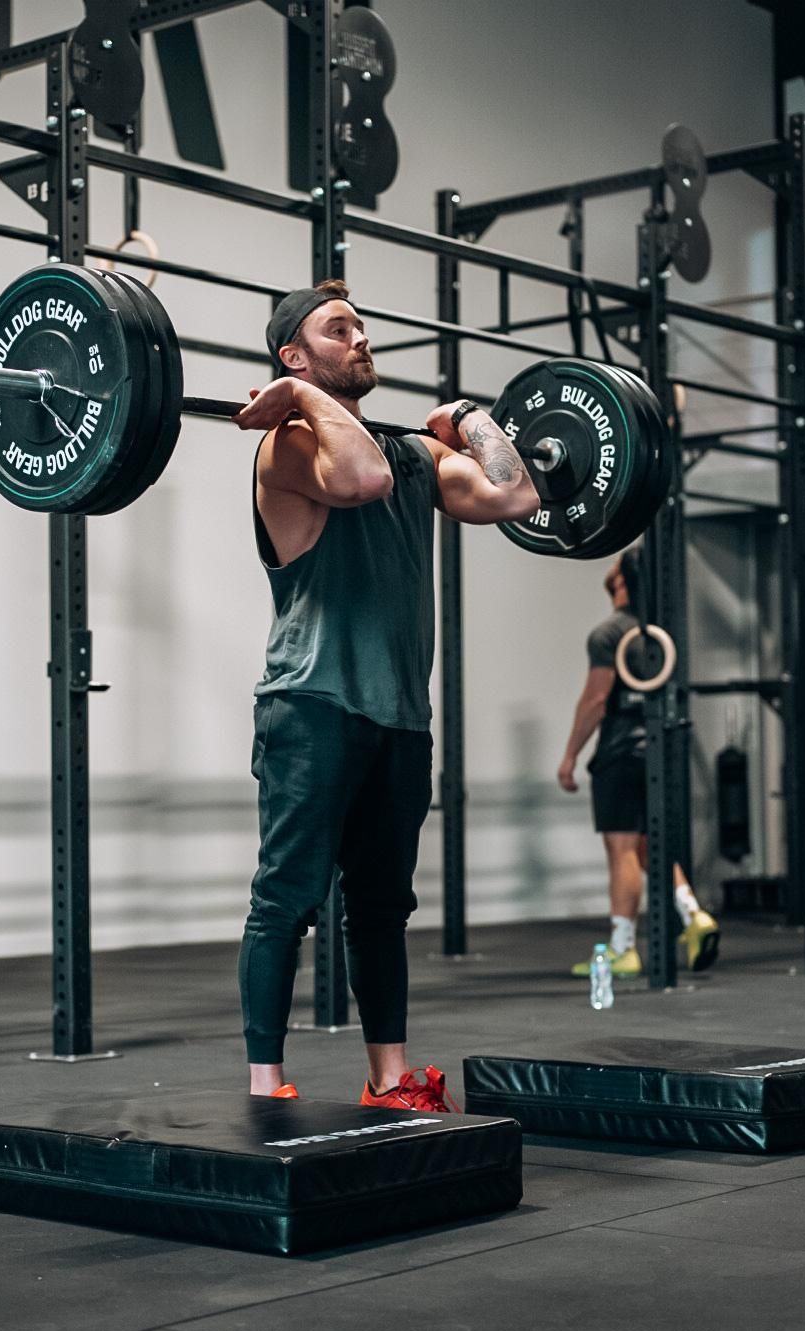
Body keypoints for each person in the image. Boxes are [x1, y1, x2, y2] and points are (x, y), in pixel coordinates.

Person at [233, 279, 540, 1109]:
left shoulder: (416, 455)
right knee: (286, 898)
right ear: (293, 355)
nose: (363, 338)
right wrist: (297, 398)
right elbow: (359, 477)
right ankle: (267, 1087)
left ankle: (390, 1079)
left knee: (381, 908)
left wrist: (471, 420)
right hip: (313, 704)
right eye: (340, 330)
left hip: (401, 716)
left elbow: (517, 494)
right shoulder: (286, 447)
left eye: (364, 327)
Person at [556, 545, 720, 977]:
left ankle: (623, 948)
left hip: (620, 754)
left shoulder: (609, 633)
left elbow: (594, 700)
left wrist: (570, 756)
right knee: (651, 845)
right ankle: (693, 914)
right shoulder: (663, 633)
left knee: (622, 849)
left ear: (623, 581)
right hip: (661, 753)